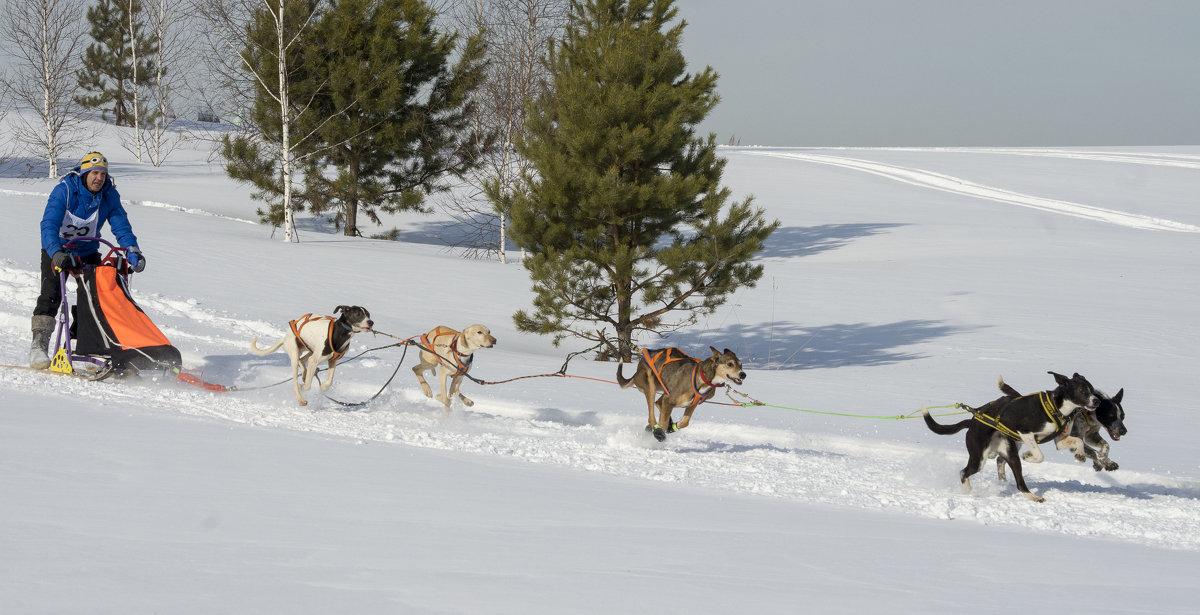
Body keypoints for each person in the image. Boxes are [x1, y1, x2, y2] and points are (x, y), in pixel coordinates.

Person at [30, 152, 145, 369]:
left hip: (88, 251)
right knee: (51, 294)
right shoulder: (64, 191)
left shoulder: (109, 195)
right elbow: (48, 225)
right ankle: (39, 345)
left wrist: (132, 250)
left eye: (103, 174)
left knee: (97, 297)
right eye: (94, 173)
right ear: (84, 174)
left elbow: (120, 224)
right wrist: (56, 252)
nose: (99, 178)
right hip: (59, 250)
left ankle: (91, 345)